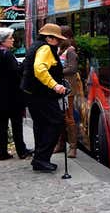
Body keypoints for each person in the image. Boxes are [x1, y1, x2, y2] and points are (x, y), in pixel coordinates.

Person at [22, 23, 68, 172]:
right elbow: (39, 69)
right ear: (49, 38)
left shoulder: (35, 46)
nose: (59, 42)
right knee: (56, 122)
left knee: (41, 125)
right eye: (57, 39)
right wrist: (55, 85)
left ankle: (39, 159)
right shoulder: (45, 48)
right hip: (43, 95)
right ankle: (42, 158)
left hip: (32, 94)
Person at [0, 28, 33, 161]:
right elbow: (16, 73)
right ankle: (21, 150)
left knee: (1, 126)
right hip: (12, 96)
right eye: (10, 37)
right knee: (16, 125)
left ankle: (2, 152)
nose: (13, 39)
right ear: (2, 41)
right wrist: (25, 63)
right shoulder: (6, 54)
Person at [56, 25, 80, 158]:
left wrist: (57, 71)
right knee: (61, 117)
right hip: (59, 88)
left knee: (69, 118)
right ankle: (61, 144)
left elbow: (73, 68)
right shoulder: (61, 49)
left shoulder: (70, 50)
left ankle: (73, 147)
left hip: (68, 89)